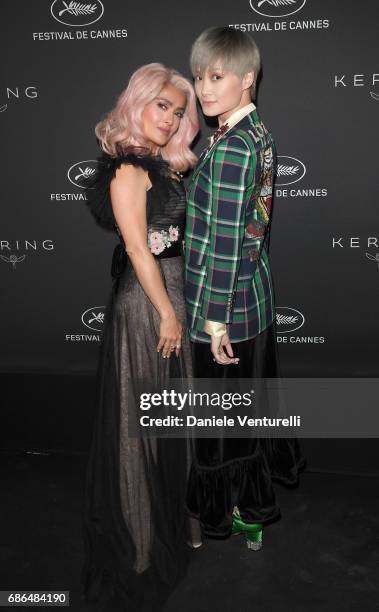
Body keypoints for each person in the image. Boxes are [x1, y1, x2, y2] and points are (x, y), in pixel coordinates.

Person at [81, 63, 199, 610]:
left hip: (171, 299)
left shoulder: (162, 166)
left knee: (165, 422)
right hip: (148, 308)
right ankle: (140, 552)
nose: (171, 119)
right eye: (162, 107)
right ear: (138, 103)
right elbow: (137, 250)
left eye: (178, 112)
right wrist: (168, 316)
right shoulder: (129, 170)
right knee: (140, 430)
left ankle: (168, 527)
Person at [184, 27, 306, 550]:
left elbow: (230, 240)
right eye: (199, 76)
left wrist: (214, 321)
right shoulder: (256, 132)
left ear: (247, 78)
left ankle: (237, 512)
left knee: (220, 424)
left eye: (217, 76)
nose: (204, 89)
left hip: (225, 310)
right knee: (244, 414)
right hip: (252, 301)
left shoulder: (233, 146)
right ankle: (252, 512)